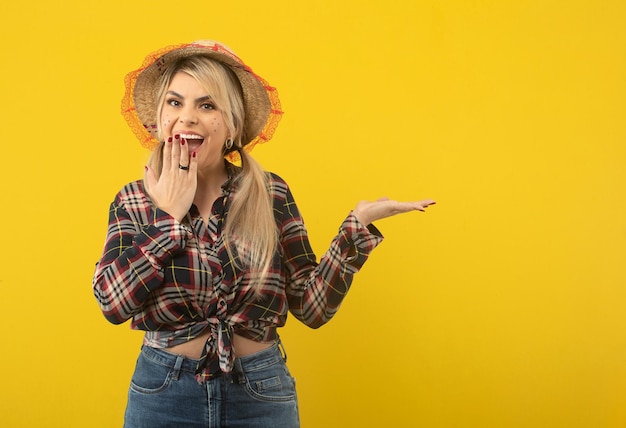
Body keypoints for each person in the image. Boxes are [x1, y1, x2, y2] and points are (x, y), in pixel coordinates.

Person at [92, 40, 435, 428]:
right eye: (175, 103)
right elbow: (111, 302)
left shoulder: (270, 193)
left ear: (232, 126)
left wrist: (355, 230)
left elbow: (311, 307)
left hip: (260, 392)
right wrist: (168, 219)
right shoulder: (135, 200)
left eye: (207, 105)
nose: (187, 117)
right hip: (163, 395)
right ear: (158, 120)